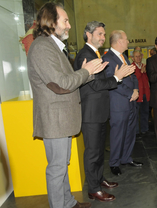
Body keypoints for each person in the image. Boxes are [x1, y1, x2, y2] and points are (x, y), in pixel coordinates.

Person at [27, 3, 108, 208]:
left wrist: (88, 73)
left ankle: (68, 203)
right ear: (51, 22)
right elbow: (61, 85)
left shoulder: (52, 46)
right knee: (57, 168)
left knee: (62, 166)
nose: (69, 26)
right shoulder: (42, 47)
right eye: (65, 20)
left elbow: (67, 79)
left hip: (61, 119)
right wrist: (86, 71)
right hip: (55, 119)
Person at [73, 21, 134, 202]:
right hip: (91, 113)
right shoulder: (86, 54)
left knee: (99, 150)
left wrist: (116, 77)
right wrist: (117, 77)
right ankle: (93, 189)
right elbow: (95, 84)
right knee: (92, 152)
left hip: (98, 111)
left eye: (103, 34)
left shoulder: (94, 53)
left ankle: (98, 179)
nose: (103, 37)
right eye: (99, 34)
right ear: (88, 34)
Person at [102, 30, 143, 176]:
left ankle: (126, 158)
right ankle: (114, 163)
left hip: (131, 102)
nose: (128, 42)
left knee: (130, 133)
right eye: (126, 39)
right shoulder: (107, 59)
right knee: (118, 134)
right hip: (118, 105)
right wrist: (130, 93)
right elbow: (112, 81)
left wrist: (136, 90)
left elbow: (133, 77)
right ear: (119, 41)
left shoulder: (123, 56)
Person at [132, 50, 151, 137]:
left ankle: (145, 129)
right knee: (136, 114)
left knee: (145, 112)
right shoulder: (131, 67)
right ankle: (136, 132)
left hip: (145, 94)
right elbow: (134, 79)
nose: (138, 58)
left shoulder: (145, 66)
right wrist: (141, 71)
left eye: (139, 56)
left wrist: (145, 71)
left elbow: (148, 79)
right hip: (137, 95)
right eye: (136, 56)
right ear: (133, 58)